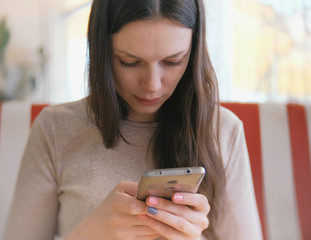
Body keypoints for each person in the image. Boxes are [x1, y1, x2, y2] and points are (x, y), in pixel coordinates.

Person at [3, 0, 262, 239]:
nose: (152, 84)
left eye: (173, 62)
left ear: (192, 54)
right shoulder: (55, 130)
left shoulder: (224, 130)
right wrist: (91, 231)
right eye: (129, 62)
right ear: (101, 49)